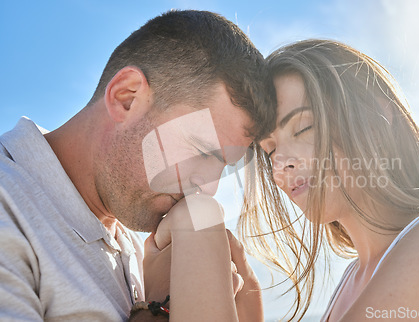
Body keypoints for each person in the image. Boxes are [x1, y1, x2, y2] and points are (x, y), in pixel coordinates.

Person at [0, 10, 273, 321]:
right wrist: (159, 308)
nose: (207, 188)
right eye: (201, 151)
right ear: (126, 97)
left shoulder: (137, 247)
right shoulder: (9, 207)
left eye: (223, 167)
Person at [240, 39, 419, 321]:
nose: (282, 162)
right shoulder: (351, 278)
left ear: (377, 116)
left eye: (304, 127)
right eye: (270, 150)